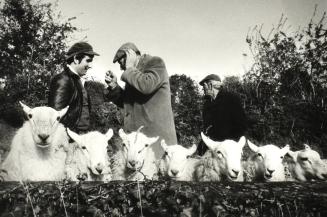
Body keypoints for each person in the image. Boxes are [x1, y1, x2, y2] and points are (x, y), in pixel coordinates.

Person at [105, 42, 177, 151]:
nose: (121, 68)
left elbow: (146, 86)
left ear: (131, 55)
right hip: (139, 144)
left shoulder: (155, 63)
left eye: (121, 62)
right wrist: (114, 87)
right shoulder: (134, 74)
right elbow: (128, 104)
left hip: (157, 142)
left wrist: (129, 67)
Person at [48, 42, 99, 133]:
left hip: (79, 136)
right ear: (76, 59)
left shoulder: (77, 80)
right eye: (88, 60)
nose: (90, 65)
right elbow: (56, 116)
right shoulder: (63, 80)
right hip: (70, 138)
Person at [197, 74, 247, 155]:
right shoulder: (207, 104)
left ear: (210, 85)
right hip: (212, 147)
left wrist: (231, 144)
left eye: (204, 85)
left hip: (228, 148)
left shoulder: (231, 99)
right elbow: (207, 128)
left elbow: (241, 125)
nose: (203, 88)